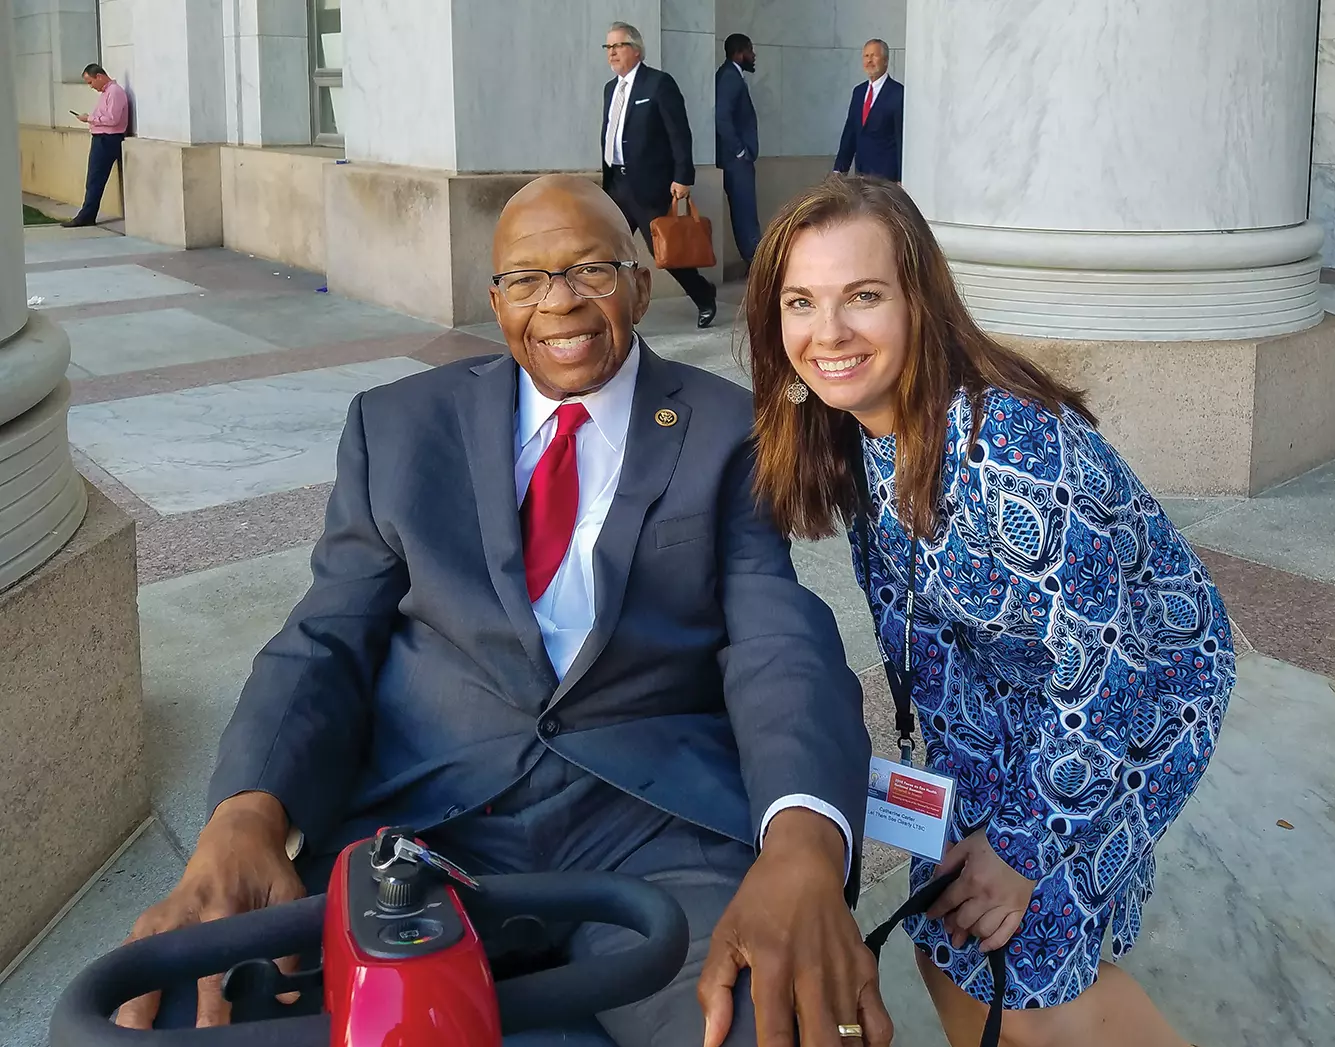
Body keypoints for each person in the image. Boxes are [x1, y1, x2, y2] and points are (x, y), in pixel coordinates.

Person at [114, 174, 892, 1047]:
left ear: (640, 281)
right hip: (428, 826)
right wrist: (246, 814)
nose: (559, 302)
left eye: (592, 269)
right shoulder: (401, 429)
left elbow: (776, 638)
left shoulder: (725, 428)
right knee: (204, 1009)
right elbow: (326, 634)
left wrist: (803, 842)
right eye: (527, 279)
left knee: (766, 1021)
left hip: (654, 833)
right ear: (495, 299)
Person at [744, 176, 1236, 1047]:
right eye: (801, 302)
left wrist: (1023, 845)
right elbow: (928, 639)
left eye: (863, 296)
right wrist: (968, 814)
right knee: (949, 929)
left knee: (1025, 968)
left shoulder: (1009, 452)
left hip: (1140, 699)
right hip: (1001, 697)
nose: (829, 333)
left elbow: (1110, 671)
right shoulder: (855, 434)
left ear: (920, 303)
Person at [600, 21, 718, 329]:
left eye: (617, 46)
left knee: (667, 253)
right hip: (617, 185)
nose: (611, 53)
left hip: (650, 187)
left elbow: (679, 133)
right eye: (608, 47)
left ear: (636, 50)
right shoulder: (611, 89)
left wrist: (683, 177)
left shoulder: (658, 84)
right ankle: (611, 309)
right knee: (606, 249)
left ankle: (703, 294)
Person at [63, 63, 129, 228]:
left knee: (95, 179)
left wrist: (90, 119)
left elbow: (113, 119)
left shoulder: (114, 92)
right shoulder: (107, 92)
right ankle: (87, 214)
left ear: (99, 76)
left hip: (108, 139)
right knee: (93, 178)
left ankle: (86, 216)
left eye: (90, 82)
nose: (91, 86)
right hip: (102, 138)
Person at [715, 33, 761, 269]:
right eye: (750, 51)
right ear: (739, 53)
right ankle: (757, 265)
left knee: (746, 213)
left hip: (737, 159)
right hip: (736, 161)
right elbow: (722, 118)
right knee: (745, 214)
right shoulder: (730, 77)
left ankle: (756, 262)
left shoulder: (732, 76)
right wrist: (740, 151)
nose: (754, 56)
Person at [832, 42, 903, 182]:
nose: (869, 60)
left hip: (887, 180)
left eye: (874, 55)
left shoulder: (898, 93)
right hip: (861, 177)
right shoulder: (858, 92)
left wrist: (901, 179)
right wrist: (839, 170)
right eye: (866, 56)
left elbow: (900, 139)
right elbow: (850, 133)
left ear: (886, 60)